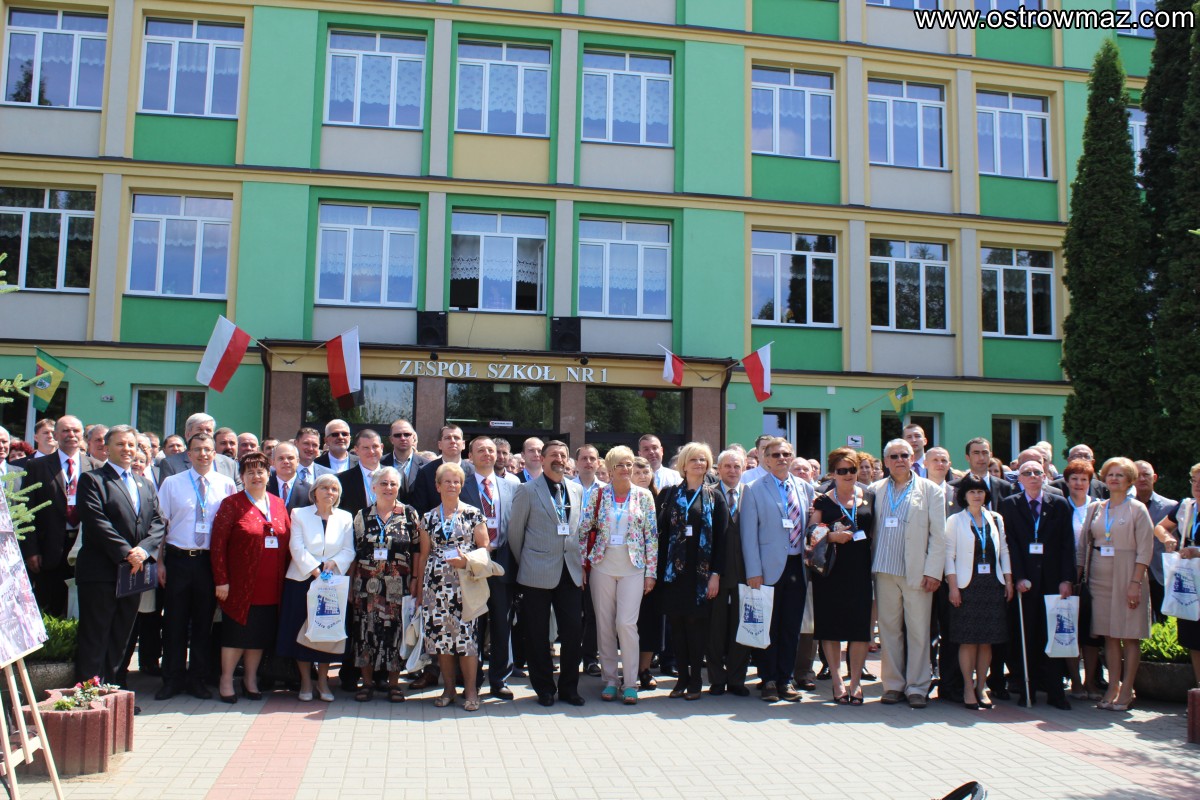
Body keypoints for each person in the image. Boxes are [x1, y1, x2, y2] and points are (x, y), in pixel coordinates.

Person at [75, 425, 165, 683]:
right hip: (102, 571)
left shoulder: (145, 484)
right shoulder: (93, 480)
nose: (127, 449)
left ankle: (115, 691)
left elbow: (158, 522)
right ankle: (90, 695)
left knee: (122, 635)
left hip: (135, 572)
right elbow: (97, 522)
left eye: (131, 445)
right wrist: (127, 552)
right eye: (120, 444)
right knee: (96, 634)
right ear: (106, 448)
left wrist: (144, 549)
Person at [154, 433, 238, 700]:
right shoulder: (172, 483)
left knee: (203, 624)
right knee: (174, 623)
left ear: (215, 454)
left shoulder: (226, 485)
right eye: (197, 450)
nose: (203, 454)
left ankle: (197, 679)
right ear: (188, 455)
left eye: (208, 450)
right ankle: (172, 679)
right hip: (178, 559)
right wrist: (159, 562)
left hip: (208, 562)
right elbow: (160, 525)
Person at [508, 440, 586, 707]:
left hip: (570, 572)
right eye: (554, 455)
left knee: (573, 633)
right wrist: (530, 562)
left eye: (563, 455)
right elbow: (515, 535)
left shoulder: (576, 490)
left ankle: (569, 688)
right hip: (536, 573)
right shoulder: (527, 490)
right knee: (538, 634)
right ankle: (544, 688)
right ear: (541, 459)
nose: (559, 459)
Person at [869, 438, 946, 708]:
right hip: (884, 570)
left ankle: (917, 686)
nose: (900, 460)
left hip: (917, 573)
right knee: (889, 631)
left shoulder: (930, 490)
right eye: (894, 456)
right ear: (886, 461)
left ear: (913, 458)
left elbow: (939, 535)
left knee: (918, 631)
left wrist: (934, 571)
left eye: (905, 455)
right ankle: (893, 685)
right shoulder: (875, 489)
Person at [579, 446, 657, 704]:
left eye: (629, 465)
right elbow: (583, 529)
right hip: (602, 564)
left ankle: (631, 681)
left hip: (633, 567)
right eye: (620, 465)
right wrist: (581, 563)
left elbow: (651, 537)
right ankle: (610, 679)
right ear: (610, 470)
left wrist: (651, 572)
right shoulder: (598, 495)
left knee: (626, 623)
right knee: (604, 624)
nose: (626, 469)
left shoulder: (644, 496)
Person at [210, 452, 290, 703]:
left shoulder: (277, 503)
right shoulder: (231, 504)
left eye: (261, 471)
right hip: (240, 585)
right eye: (250, 472)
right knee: (236, 634)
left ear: (269, 474)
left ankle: (250, 679)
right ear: (242, 477)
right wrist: (221, 579)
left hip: (271, 585)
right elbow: (218, 545)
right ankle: (226, 679)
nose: (256, 476)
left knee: (259, 635)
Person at [1077, 457, 1154, 711]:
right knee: (1109, 635)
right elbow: (1083, 545)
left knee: (1128, 635)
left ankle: (1127, 688)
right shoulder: (1096, 508)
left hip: (1127, 574)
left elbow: (1145, 550)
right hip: (1099, 575)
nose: (1114, 479)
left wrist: (1135, 582)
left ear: (1129, 480)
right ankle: (1113, 687)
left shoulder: (1137, 509)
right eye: (1110, 474)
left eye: (1120, 475)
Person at [742, 436, 815, 702]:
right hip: (767, 568)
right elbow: (748, 535)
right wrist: (753, 570)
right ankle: (768, 679)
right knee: (768, 626)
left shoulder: (805, 488)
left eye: (786, 454)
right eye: (775, 455)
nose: (781, 459)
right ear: (765, 460)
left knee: (791, 625)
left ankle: (786, 679)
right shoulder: (753, 489)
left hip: (797, 565)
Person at [999, 460, 1076, 710]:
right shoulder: (1010, 505)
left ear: (1044, 477)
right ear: (1018, 478)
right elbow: (1009, 544)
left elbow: (1067, 544)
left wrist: (1067, 579)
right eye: (1027, 473)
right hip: (1025, 583)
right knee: (1027, 636)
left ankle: (1055, 691)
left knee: (1053, 635)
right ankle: (1026, 688)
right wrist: (1018, 577)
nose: (1033, 477)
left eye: (1037, 473)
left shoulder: (1060, 504)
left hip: (1053, 580)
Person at [656, 443, 726, 699]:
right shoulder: (668, 494)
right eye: (694, 460)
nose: (699, 464)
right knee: (677, 626)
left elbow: (722, 539)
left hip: (702, 575)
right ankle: (681, 679)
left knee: (697, 627)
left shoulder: (715, 496)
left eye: (703, 460)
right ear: (683, 465)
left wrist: (716, 574)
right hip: (674, 574)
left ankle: (696, 679)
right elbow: (659, 537)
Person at [277, 473, 355, 702]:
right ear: (314, 492)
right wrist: (315, 571)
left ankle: (323, 682)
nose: (329, 493)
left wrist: (334, 564)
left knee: (326, 633)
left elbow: (349, 550)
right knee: (301, 633)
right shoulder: (299, 514)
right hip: (302, 580)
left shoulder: (345, 517)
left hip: (331, 583)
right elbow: (296, 546)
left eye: (334, 489)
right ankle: (305, 682)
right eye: (324, 488)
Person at [418, 463, 489, 711]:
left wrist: (466, 560)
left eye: (456, 481)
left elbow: (485, 548)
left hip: (465, 585)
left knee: (467, 641)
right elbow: (424, 554)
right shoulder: (427, 518)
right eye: (446, 481)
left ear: (461, 485)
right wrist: (420, 591)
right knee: (442, 640)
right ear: (437, 486)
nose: (452, 485)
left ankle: (470, 691)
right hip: (435, 586)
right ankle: (448, 689)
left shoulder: (473, 514)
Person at [349, 466, 423, 702]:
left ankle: (393, 683)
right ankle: (367, 682)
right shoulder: (361, 515)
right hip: (366, 586)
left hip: (397, 585)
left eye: (393, 484)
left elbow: (417, 550)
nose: (388, 488)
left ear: (398, 487)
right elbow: (354, 551)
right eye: (383, 483)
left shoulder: (409, 514)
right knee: (365, 631)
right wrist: (350, 584)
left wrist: (415, 580)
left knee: (395, 632)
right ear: (373, 487)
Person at [809, 447, 874, 705]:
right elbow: (811, 532)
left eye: (852, 470)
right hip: (831, 572)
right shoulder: (823, 500)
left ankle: (855, 682)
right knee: (831, 627)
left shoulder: (869, 496)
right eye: (842, 471)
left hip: (860, 570)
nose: (848, 475)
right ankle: (837, 681)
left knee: (859, 630)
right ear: (833, 473)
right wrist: (831, 536)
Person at [945, 475, 1013, 710]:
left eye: (981, 491)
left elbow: (1003, 550)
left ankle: (982, 686)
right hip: (967, 586)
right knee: (968, 640)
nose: (977, 495)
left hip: (991, 586)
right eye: (972, 491)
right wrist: (953, 587)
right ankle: (967, 686)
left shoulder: (995, 518)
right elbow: (949, 556)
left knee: (987, 641)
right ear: (964, 495)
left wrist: (1008, 580)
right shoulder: (955, 520)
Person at [21, 415, 98, 617]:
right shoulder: (37, 466)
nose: (71, 435)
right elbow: (27, 511)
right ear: (55, 435)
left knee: (82, 608)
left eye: (76, 431)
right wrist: (30, 550)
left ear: (83, 436)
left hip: (85, 547)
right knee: (49, 608)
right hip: (50, 548)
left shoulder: (96, 467)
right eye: (65, 430)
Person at [459, 436, 518, 699]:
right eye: (480, 450)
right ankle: (473, 680)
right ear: (470, 456)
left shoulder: (511, 487)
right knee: (475, 623)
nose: (487, 454)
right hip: (472, 563)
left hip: (502, 563)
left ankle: (500, 679)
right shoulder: (461, 485)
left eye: (491, 450)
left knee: (502, 623)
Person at [1153, 463, 1200, 688]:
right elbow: (1159, 527)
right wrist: (1167, 539)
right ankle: (1198, 694)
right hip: (1189, 579)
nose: (1198, 486)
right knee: (1194, 638)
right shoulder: (1186, 507)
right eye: (1195, 481)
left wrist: (1197, 551)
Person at [708, 448, 750, 696]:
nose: (732, 471)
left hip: (746, 572)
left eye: (737, 466)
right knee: (715, 627)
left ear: (743, 469)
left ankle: (737, 679)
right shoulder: (709, 495)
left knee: (741, 626)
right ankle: (716, 678)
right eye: (727, 466)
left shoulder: (752, 494)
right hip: (717, 573)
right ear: (719, 469)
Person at [1063, 459, 1105, 700]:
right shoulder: (1060, 506)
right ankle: (1075, 683)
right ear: (1067, 482)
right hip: (1068, 579)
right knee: (1070, 631)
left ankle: (1091, 682)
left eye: (1084, 479)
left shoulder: (1099, 508)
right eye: (1075, 479)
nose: (1079, 484)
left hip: (1094, 578)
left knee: (1091, 634)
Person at [631, 455, 664, 689]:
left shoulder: (662, 499)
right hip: (628, 569)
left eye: (646, 472)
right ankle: (629, 669)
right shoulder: (625, 498)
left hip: (654, 571)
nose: (643, 476)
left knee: (650, 622)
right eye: (638, 472)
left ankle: (644, 669)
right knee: (628, 622)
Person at [1133, 460, 1178, 622]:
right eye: (1137, 475)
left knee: (1164, 621)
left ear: (1155, 478)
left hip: (1161, 574)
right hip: (1133, 574)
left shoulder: (1170, 507)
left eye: (1146, 475)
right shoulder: (1125, 506)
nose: (1142, 479)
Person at [158, 413, 238, 483]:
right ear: (188, 434)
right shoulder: (171, 464)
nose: (204, 433)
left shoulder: (229, 464)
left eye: (208, 430)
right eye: (199, 429)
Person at [412, 425, 473, 514]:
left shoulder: (474, 472)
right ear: (440, 445)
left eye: (456, 438)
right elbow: (420, 508)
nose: (452, 441)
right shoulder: (425, 472)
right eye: (447, 438)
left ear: (463, 444)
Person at [337, 429, 385, 518]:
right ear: (356, 450)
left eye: (375, 446)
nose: (371, 451)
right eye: (366, 448)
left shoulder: (395, 476)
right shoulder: (342, 480)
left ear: (381, 448)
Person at [381, 418, 427, 503]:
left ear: (413, 437)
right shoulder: (380, 464)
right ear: (391, 439)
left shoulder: (427, 465)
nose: (402, 438)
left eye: (407, 434)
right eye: (398, 435)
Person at [267, 442, 312, 512]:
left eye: (290, 458)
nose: (286, 461)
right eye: (281, 458)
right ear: (273, 462)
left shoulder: (310, 491)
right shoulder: (264, 488)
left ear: (298, 461)